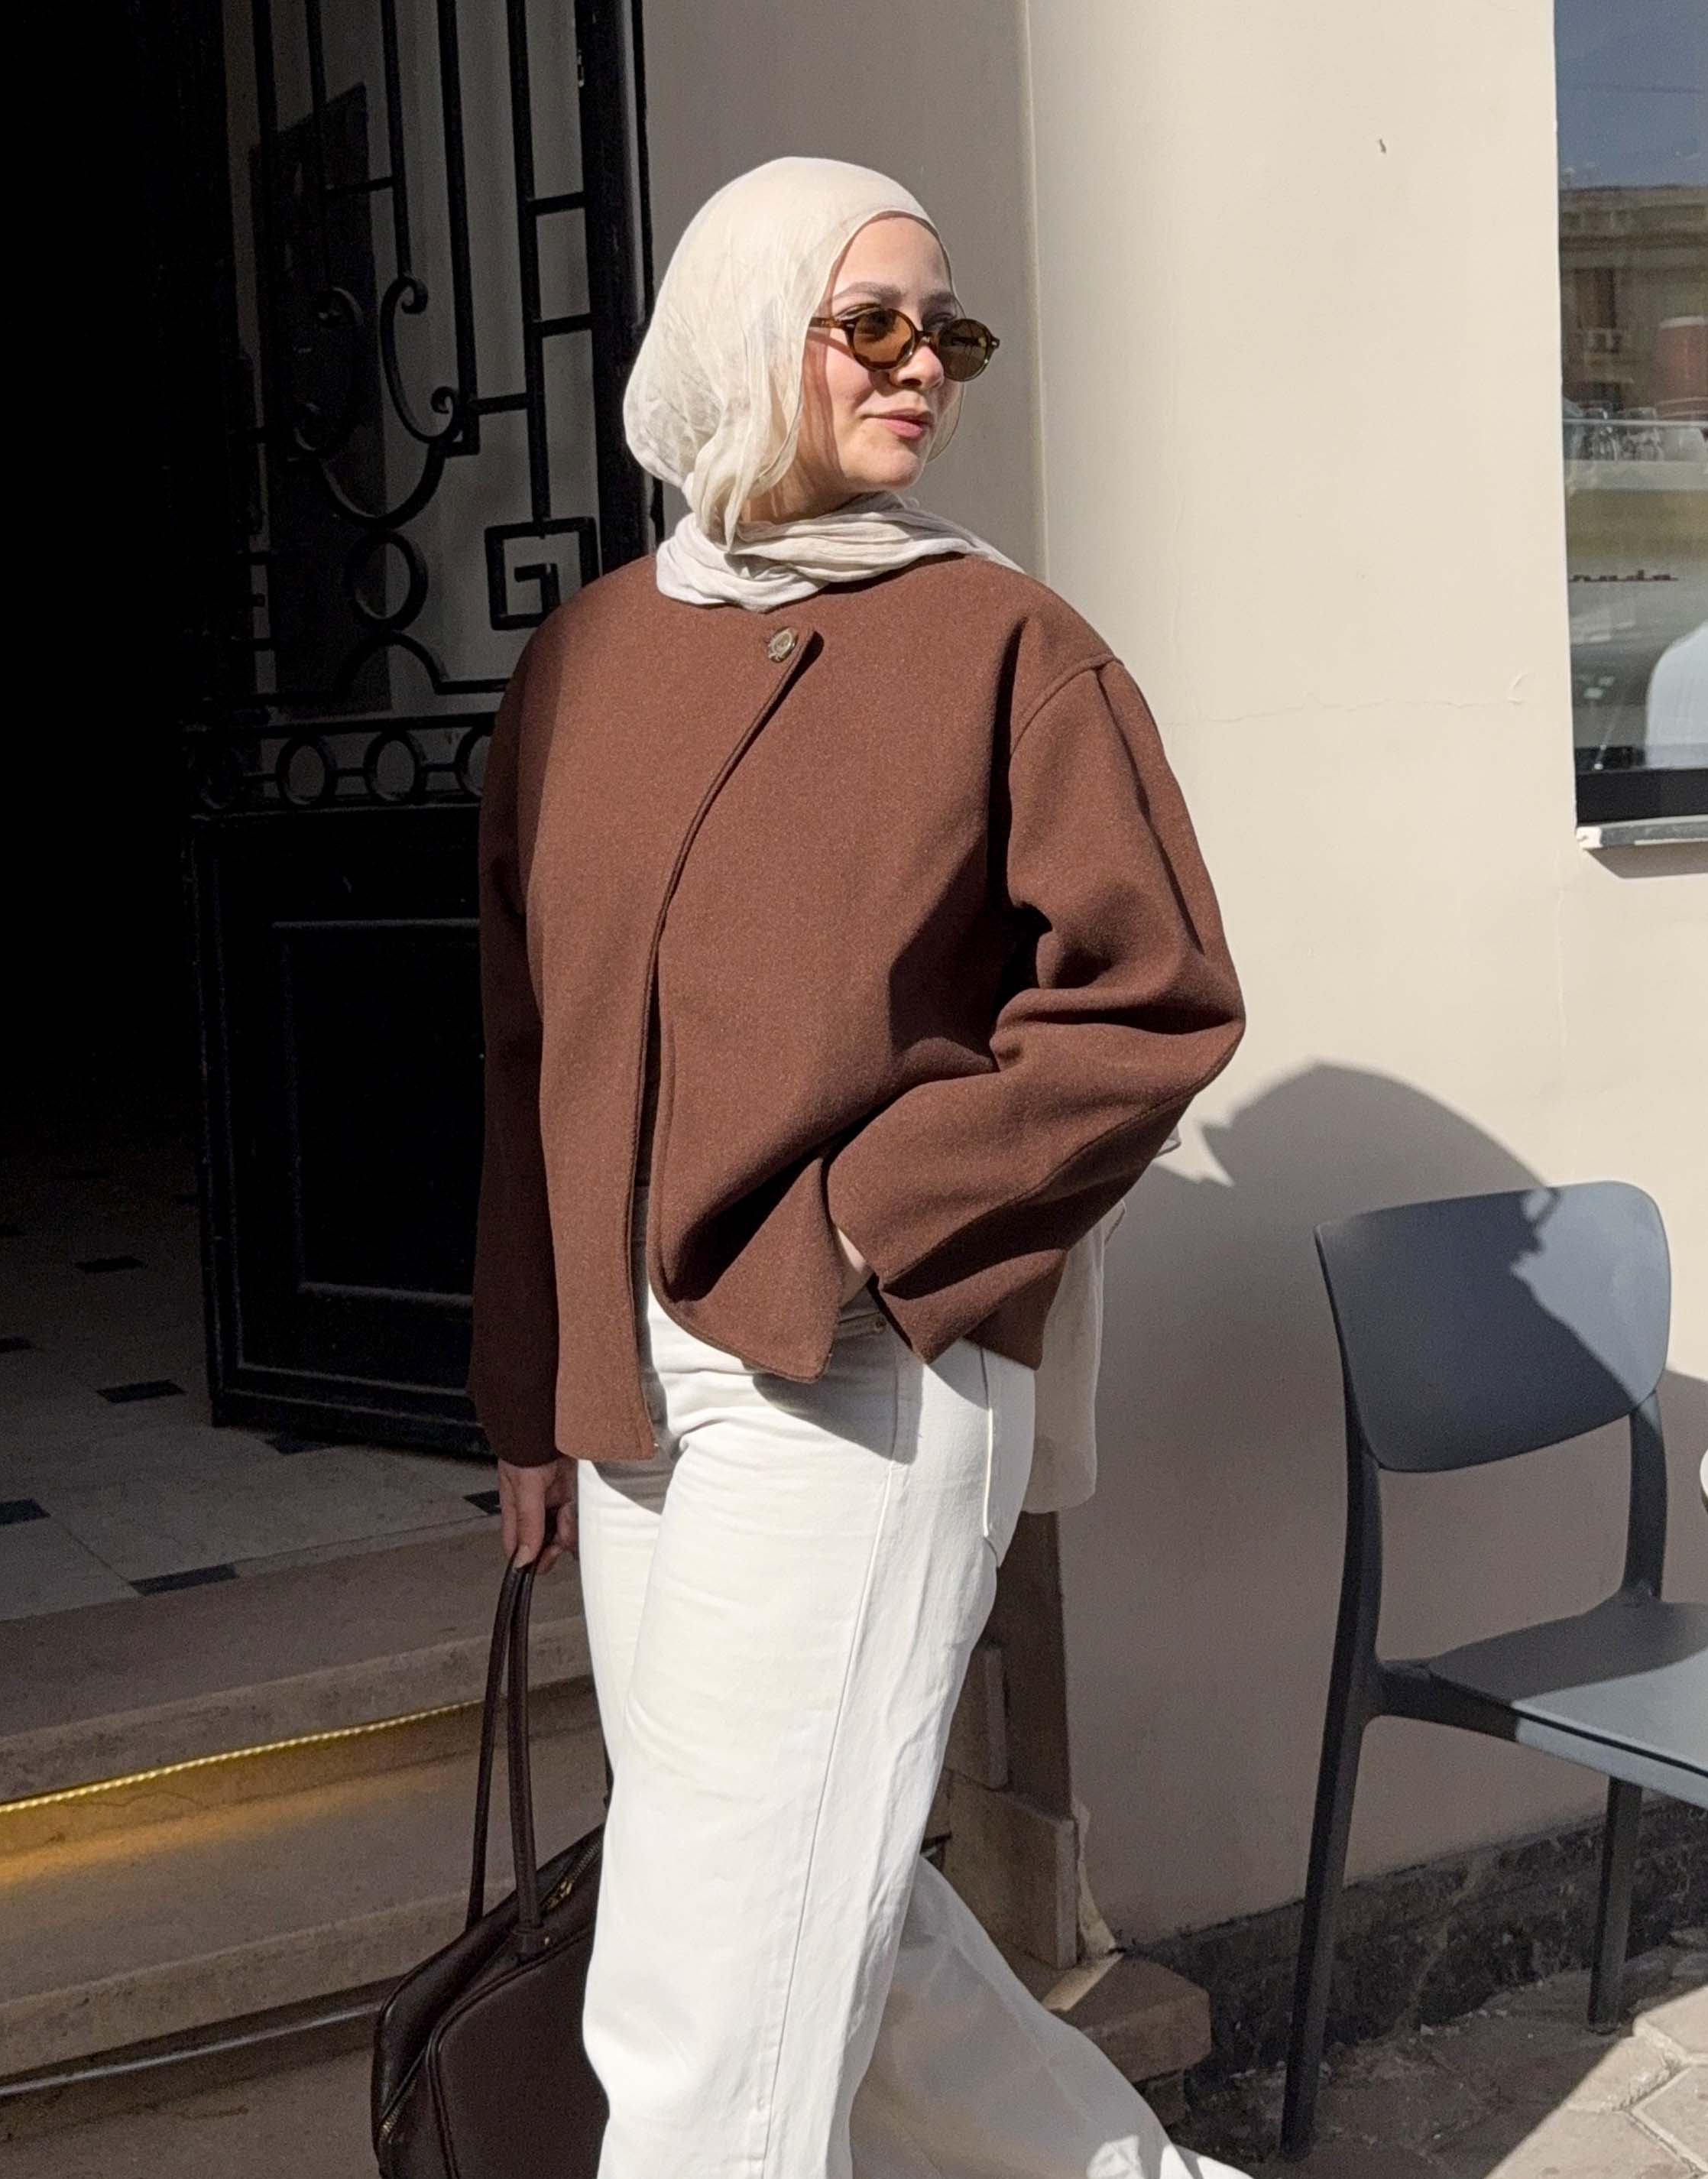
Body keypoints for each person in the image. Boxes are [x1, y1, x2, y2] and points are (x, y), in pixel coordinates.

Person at [470, 153, 1249, 2179]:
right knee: (828, 1925)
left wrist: (858, 1226)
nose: (923, 368)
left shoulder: (1002, 646)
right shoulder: (585, 660)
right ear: (744, 335)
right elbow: (532, 1045)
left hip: (856, 1369)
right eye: (873, 323)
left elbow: (1151, 998)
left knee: (702, 2014)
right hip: (633, 1382)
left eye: (948, 333)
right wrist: (531, 1391)